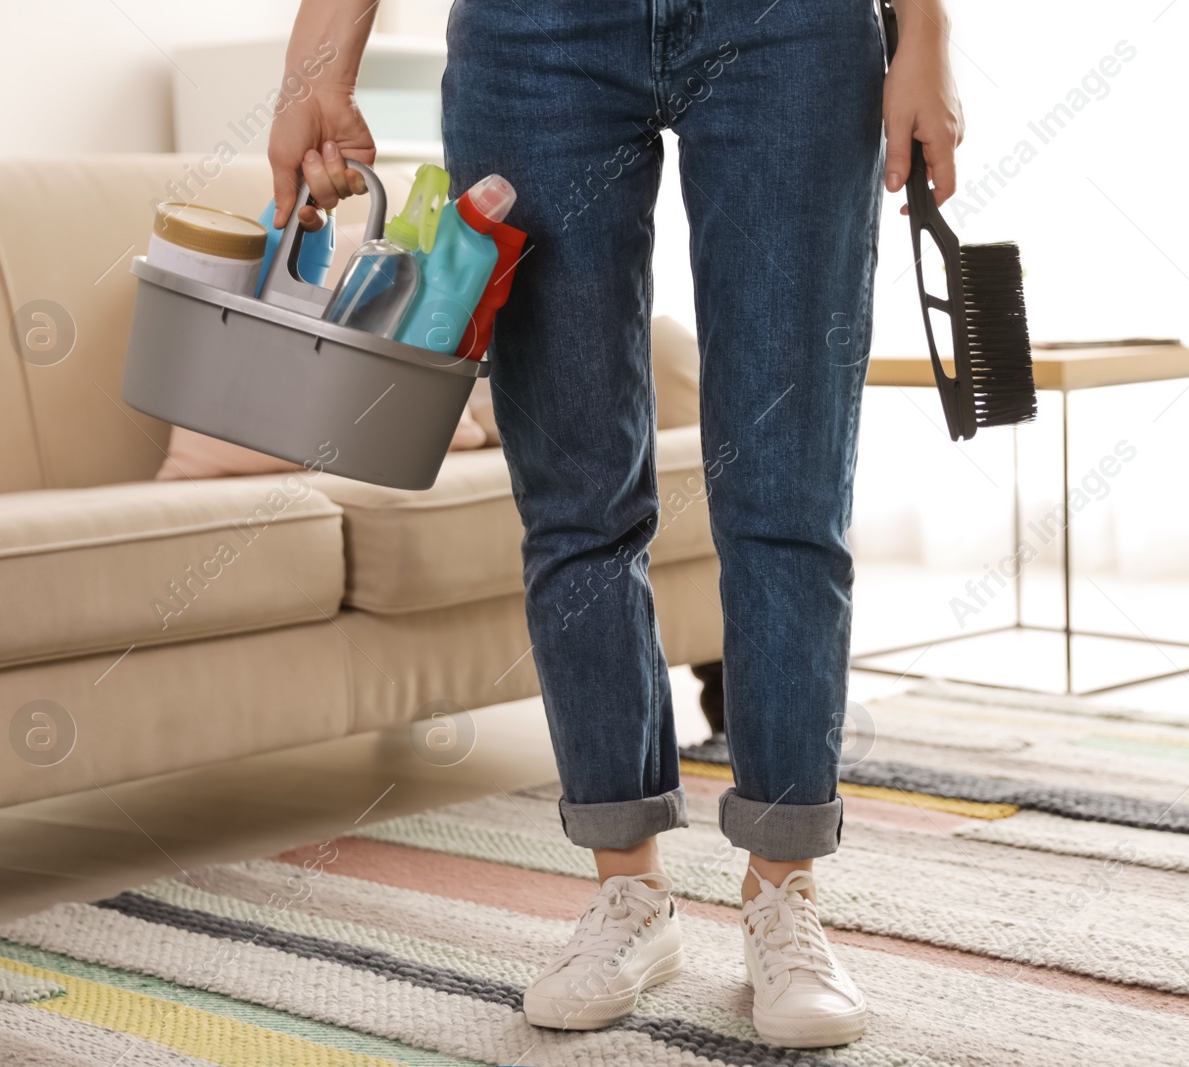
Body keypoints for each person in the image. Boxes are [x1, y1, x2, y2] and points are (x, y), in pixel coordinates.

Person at [270, 0, 962, 1048]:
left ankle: (784, 893)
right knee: (573, 492)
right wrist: (313, 66)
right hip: (535, 34)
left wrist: (928, 34)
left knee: (787, 487)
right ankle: (628, 893)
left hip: (789, 29)